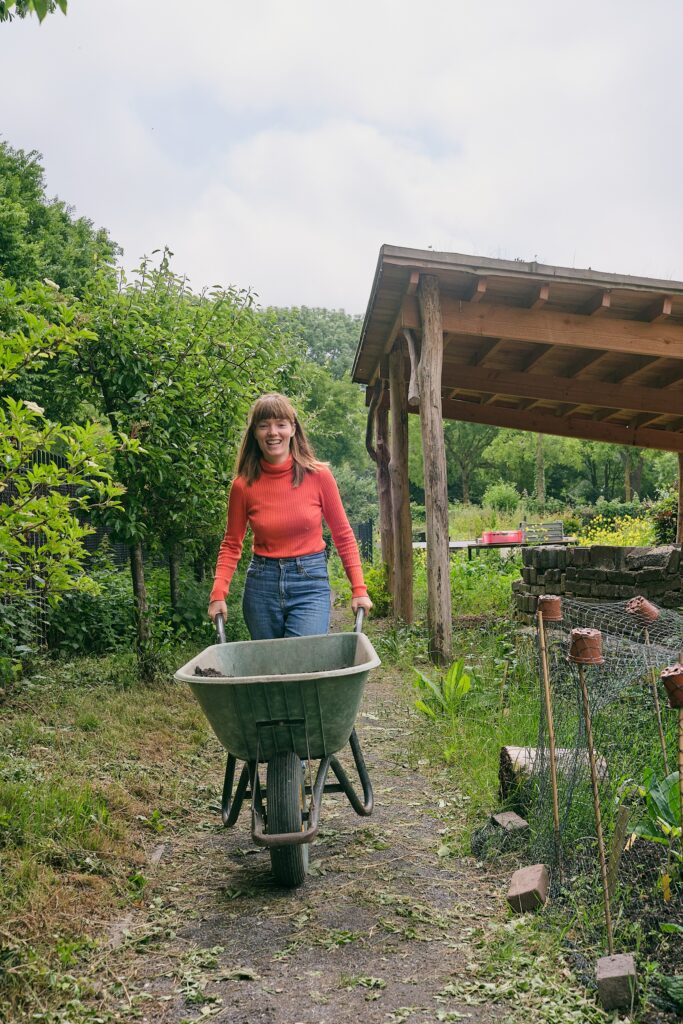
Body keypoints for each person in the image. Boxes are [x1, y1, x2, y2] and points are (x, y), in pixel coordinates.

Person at [207, 393, 373, 639]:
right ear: (255, 433)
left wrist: (359, 588)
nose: (272, 432)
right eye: (264, 426)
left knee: (301, 664)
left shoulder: (319, 476)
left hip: (309, 582)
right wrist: (218, 594)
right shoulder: (243, 486)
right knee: (270, 671)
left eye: (280, 424)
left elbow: (343, 535)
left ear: (293, 429)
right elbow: (232, 543)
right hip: (262, 586)